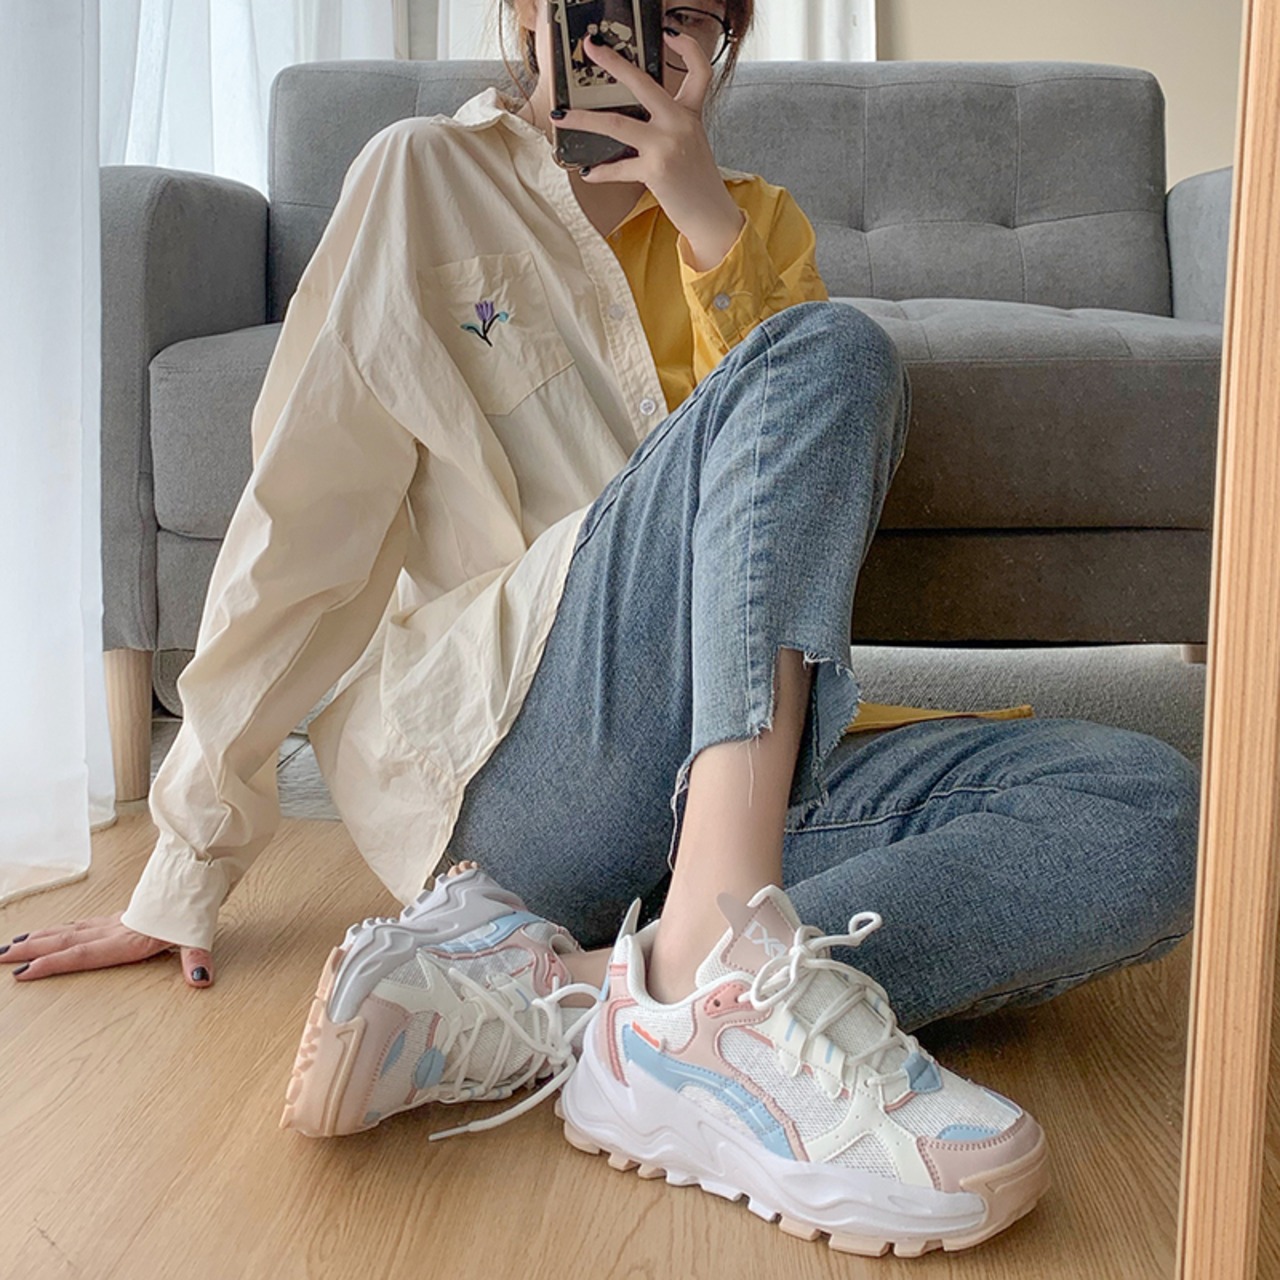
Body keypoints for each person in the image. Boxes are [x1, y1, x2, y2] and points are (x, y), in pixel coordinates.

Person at [2, 0, 1201, 1257]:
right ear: (531, 12)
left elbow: (794, 508)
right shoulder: (423, 178)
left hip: (747, 778)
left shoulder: (757, 225)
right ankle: (708, 963)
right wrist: (186, 861)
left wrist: (702, 216)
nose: (639, 38)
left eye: (682, 16)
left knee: (1148, 810)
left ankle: (588, 991)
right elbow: (300, 526)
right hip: (531, 764)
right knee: (830, 349)